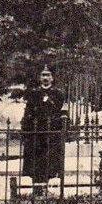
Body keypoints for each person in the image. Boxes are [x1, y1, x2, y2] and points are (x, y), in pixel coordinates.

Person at [20, 66, 66, 196]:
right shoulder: (33, 93)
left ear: (52, 78)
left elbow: (62, 112)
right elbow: (28, 113)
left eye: (48, 75)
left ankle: (45, 188)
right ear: (40, 78)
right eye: (43, 75)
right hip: (36, 134)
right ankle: (36, 189)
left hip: (51, 133)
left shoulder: (58, 94)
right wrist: (26, 130)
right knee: (36, 161)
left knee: (50, 161)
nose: (45, 77)